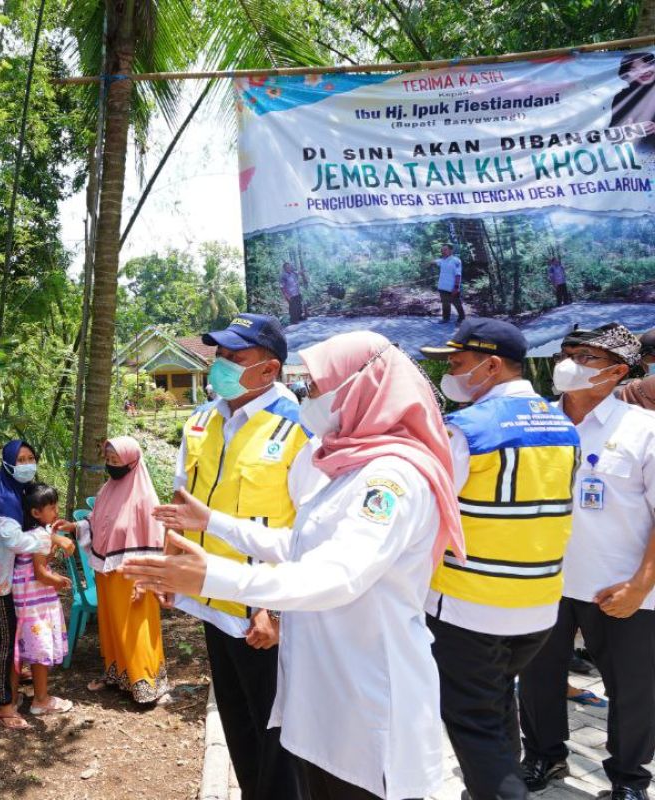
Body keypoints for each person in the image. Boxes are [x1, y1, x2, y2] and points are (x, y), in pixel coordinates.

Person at [126, 330, 462, 800]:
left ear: (360, 389)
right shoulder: (349, 463)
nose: (310, 395)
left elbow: (338, 574)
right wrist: (213, 524)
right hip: (325, 687)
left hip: (368, 699)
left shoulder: (390, 478)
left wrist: (218, 576)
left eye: (320, 386)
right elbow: (299, 544)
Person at [420, 318, 580, 800]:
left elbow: (430, 515)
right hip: (538, 606)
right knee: (494, 703)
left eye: (457, 363)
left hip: (471, 605)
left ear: (491, 365)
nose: (450, 372)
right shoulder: (562, 425)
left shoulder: (467, 429)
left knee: (473, 725)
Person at [167, 313, 313, 800]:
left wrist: (273, 610)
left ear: (269, 371)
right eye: (220, 355)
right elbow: (182, 503)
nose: (220, 365)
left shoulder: (298, 430)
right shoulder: (201, 422)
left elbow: (305, 534)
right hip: (212, 602)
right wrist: (173, 571)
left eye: (235, 357)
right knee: (239, 727)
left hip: (265, 616)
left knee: (279, 741)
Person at [518, 323, 655, 799]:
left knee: (633, 690)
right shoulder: (535, 423)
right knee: (536, 681)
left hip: (619, 589)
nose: (569, 363)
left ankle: (629, 779)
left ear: (618, 371)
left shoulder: (643, 429)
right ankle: (543, 757)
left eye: (587, 357)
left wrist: (641, 584)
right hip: (543, 583)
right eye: (567, 352)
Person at [0, 440, 74, 729]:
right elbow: (15, 541)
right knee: (5, 636)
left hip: (9, 576)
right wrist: (52, 539)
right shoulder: (1, 499)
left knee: (13, 633)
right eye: (21, 459)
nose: (27, 464)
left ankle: (13, 684)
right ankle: (3, 705)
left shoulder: (19, 493)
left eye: (31, 458)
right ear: (7, 463)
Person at [56, 436, 168, 703]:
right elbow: (97, 522)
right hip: (107, 572)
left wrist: (146, 577)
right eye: (108, 460)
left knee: (135, 625)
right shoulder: (108, 489)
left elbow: (154, 539)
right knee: (112, 625)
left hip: (133, 575)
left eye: (116, 461)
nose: (111, 465)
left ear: (131, 462)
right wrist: (75, 527)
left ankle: (146, 682)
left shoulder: (144, 498)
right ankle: (119, 676)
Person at [13, 482, 73, 715]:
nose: (56, 511)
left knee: (23, 643)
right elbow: (40, 572)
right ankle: (41, 699)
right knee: (39, 648)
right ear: (36, 513)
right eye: (51, 507)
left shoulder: (27, 533)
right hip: (34, 600)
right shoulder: (39, 535)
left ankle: (14, 695)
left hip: (22, 596)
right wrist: (58, 581)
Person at [610, 51, 655, 151]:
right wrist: (627, 129)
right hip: (640, 157)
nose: (642, 71)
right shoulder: (621, 97)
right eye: (633, 69)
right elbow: (612, 134)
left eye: (646, 65)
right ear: (627, 74)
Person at [431, 243, 465, 324]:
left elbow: (458, 275)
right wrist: (427, 263)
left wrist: (456, 287)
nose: (443, 251)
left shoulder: (456, 260)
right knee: (445, 304)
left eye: (445, 250)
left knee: (457, 304)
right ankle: (446, 318)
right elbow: (434, 262)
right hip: (442, 287)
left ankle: (462, 319)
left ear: (451, 250)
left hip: (452, 288)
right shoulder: (442, 260)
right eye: (442, 250)